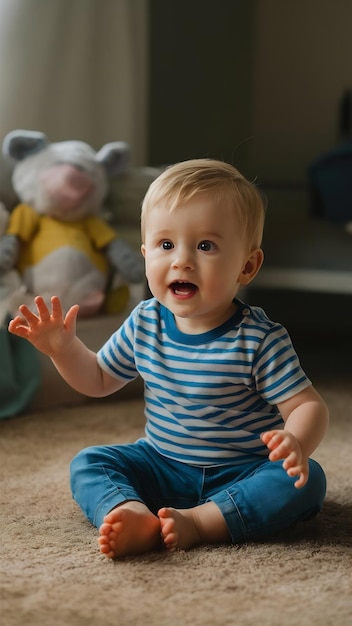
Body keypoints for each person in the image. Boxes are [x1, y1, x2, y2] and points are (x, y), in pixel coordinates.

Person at [8, 159, 329, 559]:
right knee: (90, 461)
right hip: (161, 462)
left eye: (205, 246)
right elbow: (98, 378)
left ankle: (201, 522)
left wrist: (295, 440)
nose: (182, 260)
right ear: (145, 255)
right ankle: (130, 512)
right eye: (165, 245)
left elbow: (306, 404)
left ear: (247, 266)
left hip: (241, 471)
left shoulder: (259, 339)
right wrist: (63, 349)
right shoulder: (145, 322)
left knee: (306, 481)